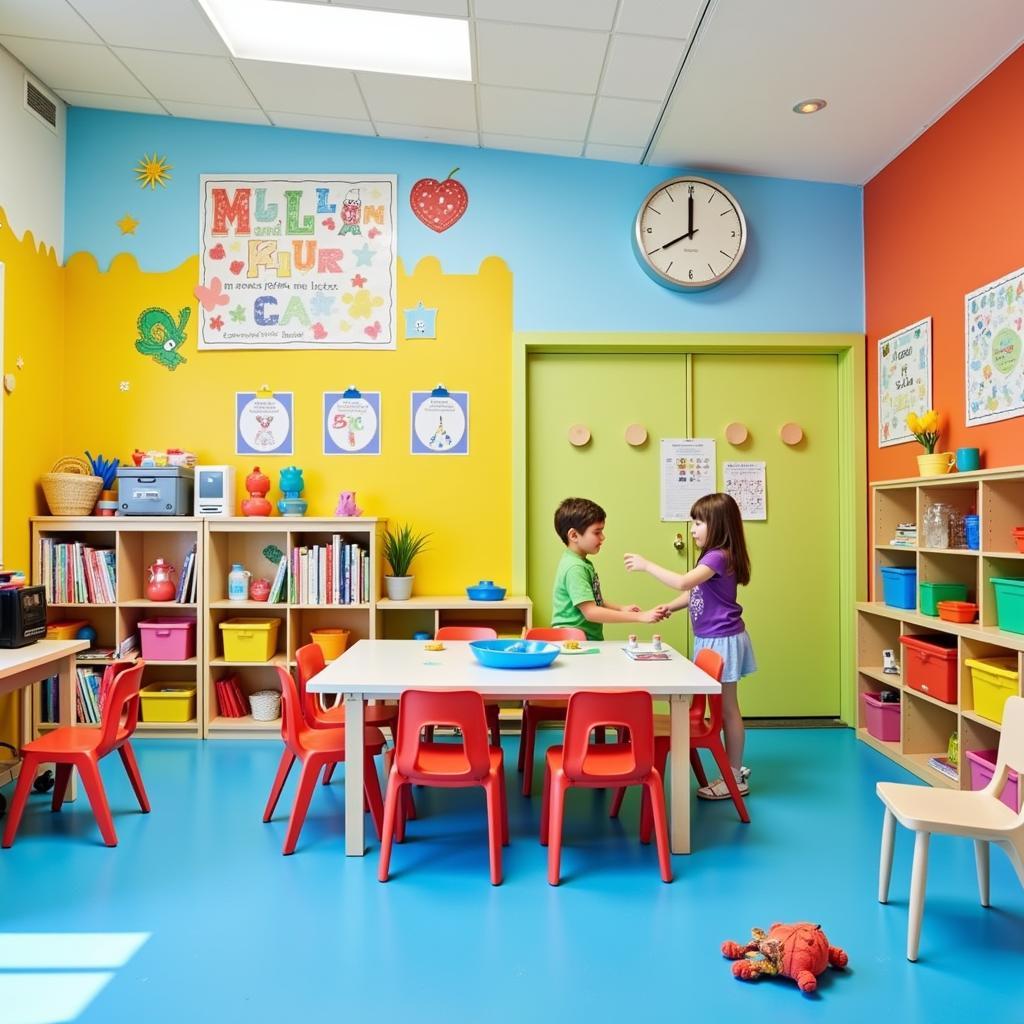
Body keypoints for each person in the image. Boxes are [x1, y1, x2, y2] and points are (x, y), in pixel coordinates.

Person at [624, 492, 755, 800]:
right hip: (713, 638)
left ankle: (735, 776)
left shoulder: (717, 556)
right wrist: (671, 607)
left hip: (722, 639)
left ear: (718, 524)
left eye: (698, 522)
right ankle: (731, 770)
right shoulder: (714, 556)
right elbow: (695, 593)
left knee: (727, 710)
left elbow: (684, 582)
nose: (693, 529)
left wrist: (646, 565)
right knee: (721, 710)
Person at [551, 497, 665, 642]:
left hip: (584, 640)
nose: (603, 537)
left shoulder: (580, 562)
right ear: (574, 535)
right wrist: (640, 616)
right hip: (574, 643)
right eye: (597, 532)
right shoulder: (575, 567)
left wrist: (620, 608)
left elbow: (593, 601)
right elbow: (591, 612)